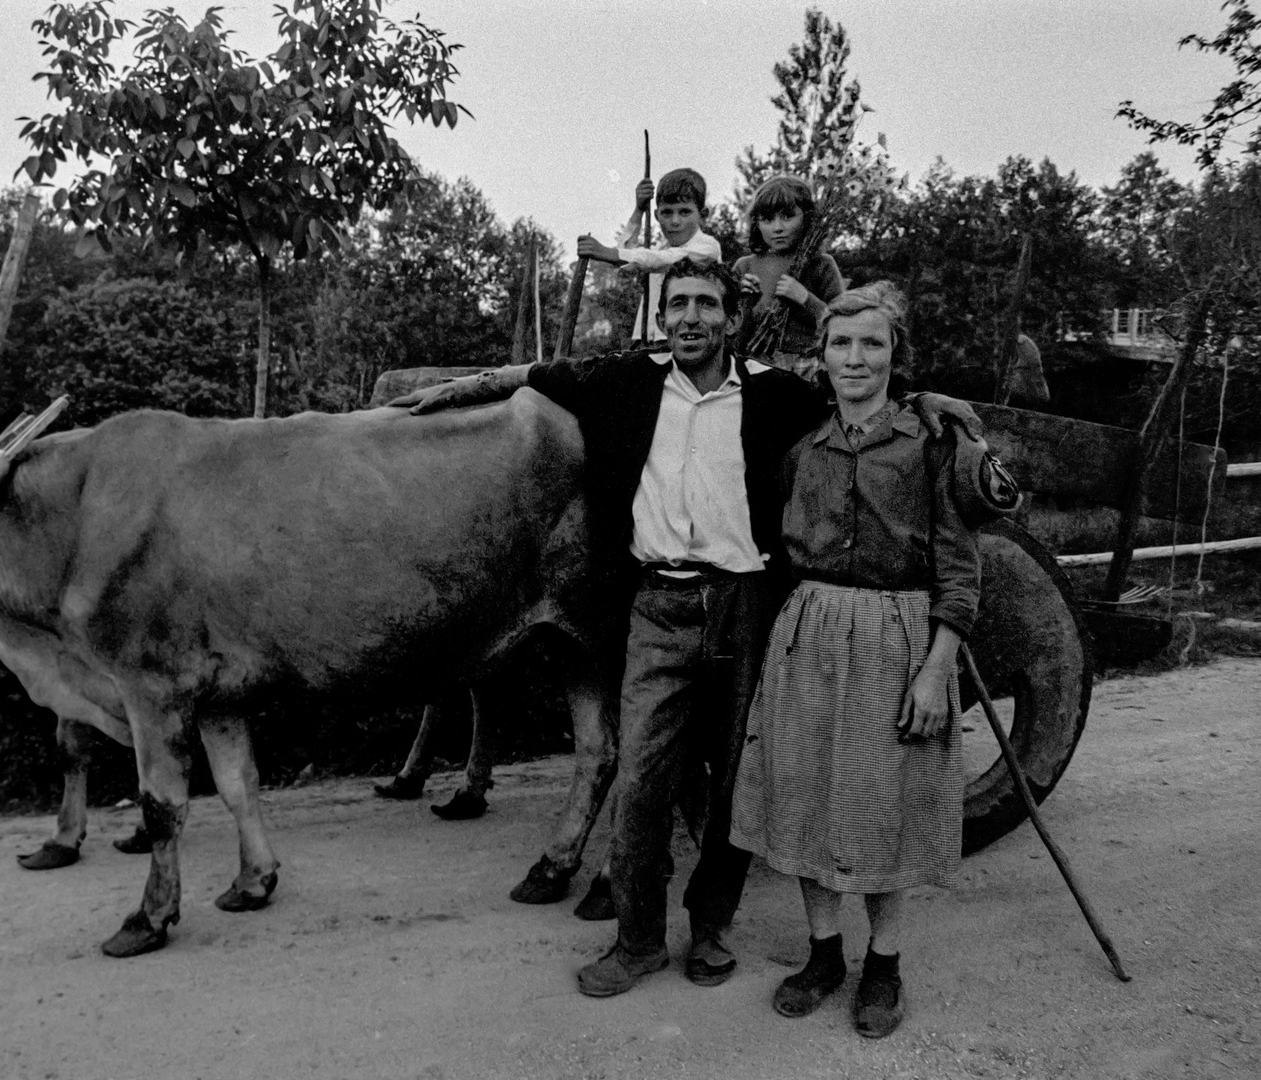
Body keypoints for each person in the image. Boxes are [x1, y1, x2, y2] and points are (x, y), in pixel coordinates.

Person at [394, 261, 980, 1000]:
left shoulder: (774, 393)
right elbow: (536, 372)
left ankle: (710, 928)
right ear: (661, 316)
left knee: (737, 779)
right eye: (678, 305)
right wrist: (453, 389)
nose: (692, 317)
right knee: (639, 778)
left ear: (732, 318)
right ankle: (636, 942)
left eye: (707, 303)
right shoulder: (627, 381)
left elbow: (862, 388)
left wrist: (933, 403)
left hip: (745, 608)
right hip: (657, 607)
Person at [729, 282, 979, 1038]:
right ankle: (823, 954)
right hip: (806, 630)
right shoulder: (802, 448)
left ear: (894, 354)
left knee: (883, 807)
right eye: (841, 343)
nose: (855, 357)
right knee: (802, 798)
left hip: (895, 637)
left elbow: (960, 568)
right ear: (822, 355)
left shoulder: (931, 444)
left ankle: (884, 965)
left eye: (872, 343)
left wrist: (936, 668)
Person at [577, 167, 724, 344]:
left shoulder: (707, 248)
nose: (675, 221)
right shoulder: (658, 249)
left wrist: (609, 253)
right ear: (656, 215)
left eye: (684, 212)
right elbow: (627, 257)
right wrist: (639, 210)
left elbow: (658, 260)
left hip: (688, 340)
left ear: (703, 215)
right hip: (647, 339)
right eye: (667, 212)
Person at [734, 175, 844, 379]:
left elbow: (842, 325)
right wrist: (746, 303)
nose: (778, 228)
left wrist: (804, 298)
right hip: (757, 367)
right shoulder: (746, 267)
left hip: (808, 368)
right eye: (767, 219)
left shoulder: (820, 264)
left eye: (787, 216)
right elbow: (735, 337)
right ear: (756, 223)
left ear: (807, 218)